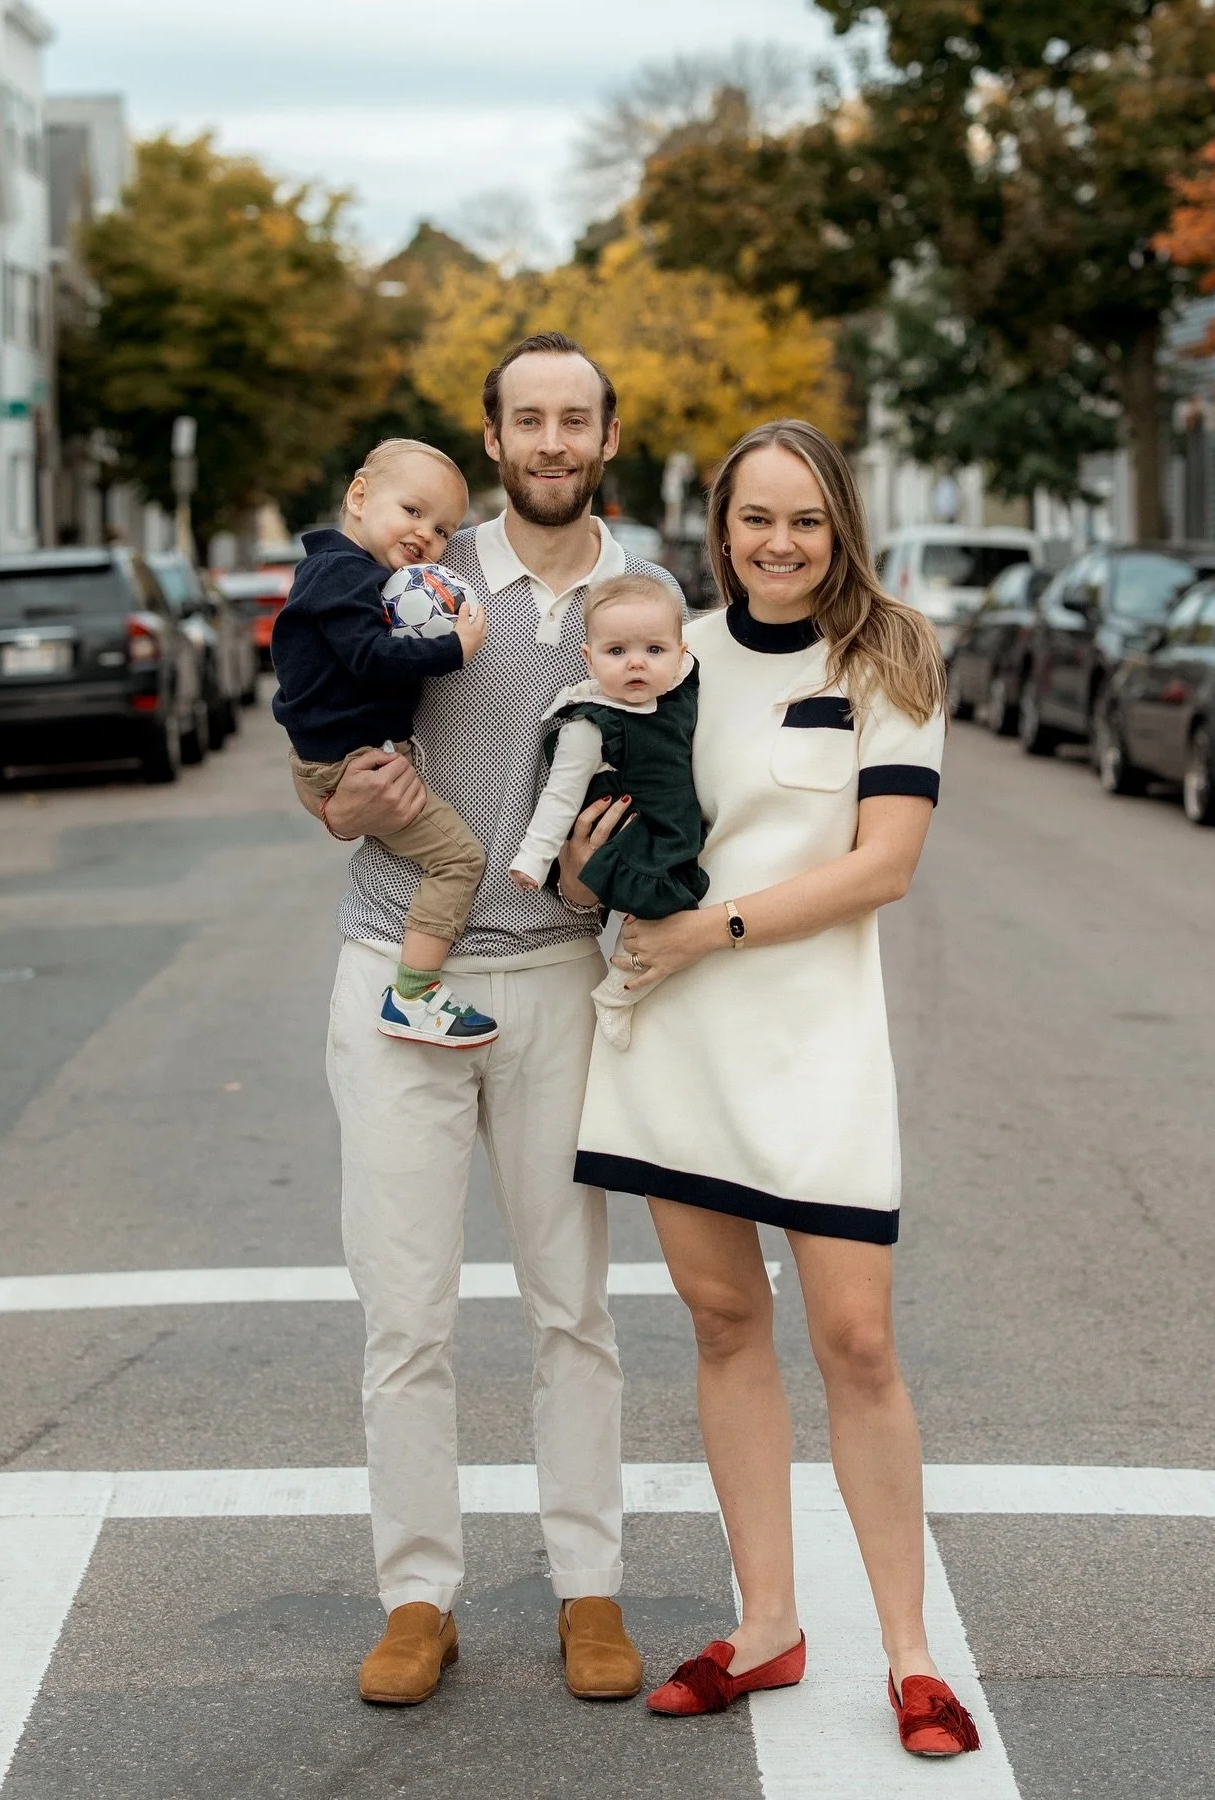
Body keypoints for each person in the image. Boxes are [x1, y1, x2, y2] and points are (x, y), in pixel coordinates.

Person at [570, 419, 982, 1757]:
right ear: (721, 527)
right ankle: (766, 1627)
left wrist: (713, 929)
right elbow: (612, 819)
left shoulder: (891, 654)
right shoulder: (668, 655)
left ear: (839, 522)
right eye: (756, 518)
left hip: (814, 1040)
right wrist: (588, 871)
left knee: (857, 1342)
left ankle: (910, 1654)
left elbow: (885, 865)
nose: (781, 543)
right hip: (676, 1037)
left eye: (805, 518)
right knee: (722, 1323)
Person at [294, 333, 682, 1707]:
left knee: (572, 1307)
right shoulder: (420, 572)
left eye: (576, 419)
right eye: (530, 420)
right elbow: (321, 752)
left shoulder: (649, 598)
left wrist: (614, 876)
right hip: (397, 971)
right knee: (406, 1313)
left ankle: (589, 1585)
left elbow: (676, 783)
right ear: (496, 436)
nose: (553, 442)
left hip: (561, 976)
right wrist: (340, 802)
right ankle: (418, 1597)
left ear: (607, 436)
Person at [272, 439, 497, 1047]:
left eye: (444, 529)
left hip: (341, 757)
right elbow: (369, 657)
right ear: (359, 495)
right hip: (346, 763)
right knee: (459, 858)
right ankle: (414, 994)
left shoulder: (350, 574)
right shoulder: (342, 574)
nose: (427, 534)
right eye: (413, 511)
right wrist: (453, 649)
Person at [510, 571, 706, 1049]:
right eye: (616, 651)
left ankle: (626, 991)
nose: (636, 663)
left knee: (676, 923)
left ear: (680, 654)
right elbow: (559, 796)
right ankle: (616, 995)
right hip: (639, 834)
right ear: (589, 658)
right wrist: (534, 858)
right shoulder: (590, 724)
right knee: (655, 913)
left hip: (677, 826)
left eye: (654, 650)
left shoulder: (680, 690)